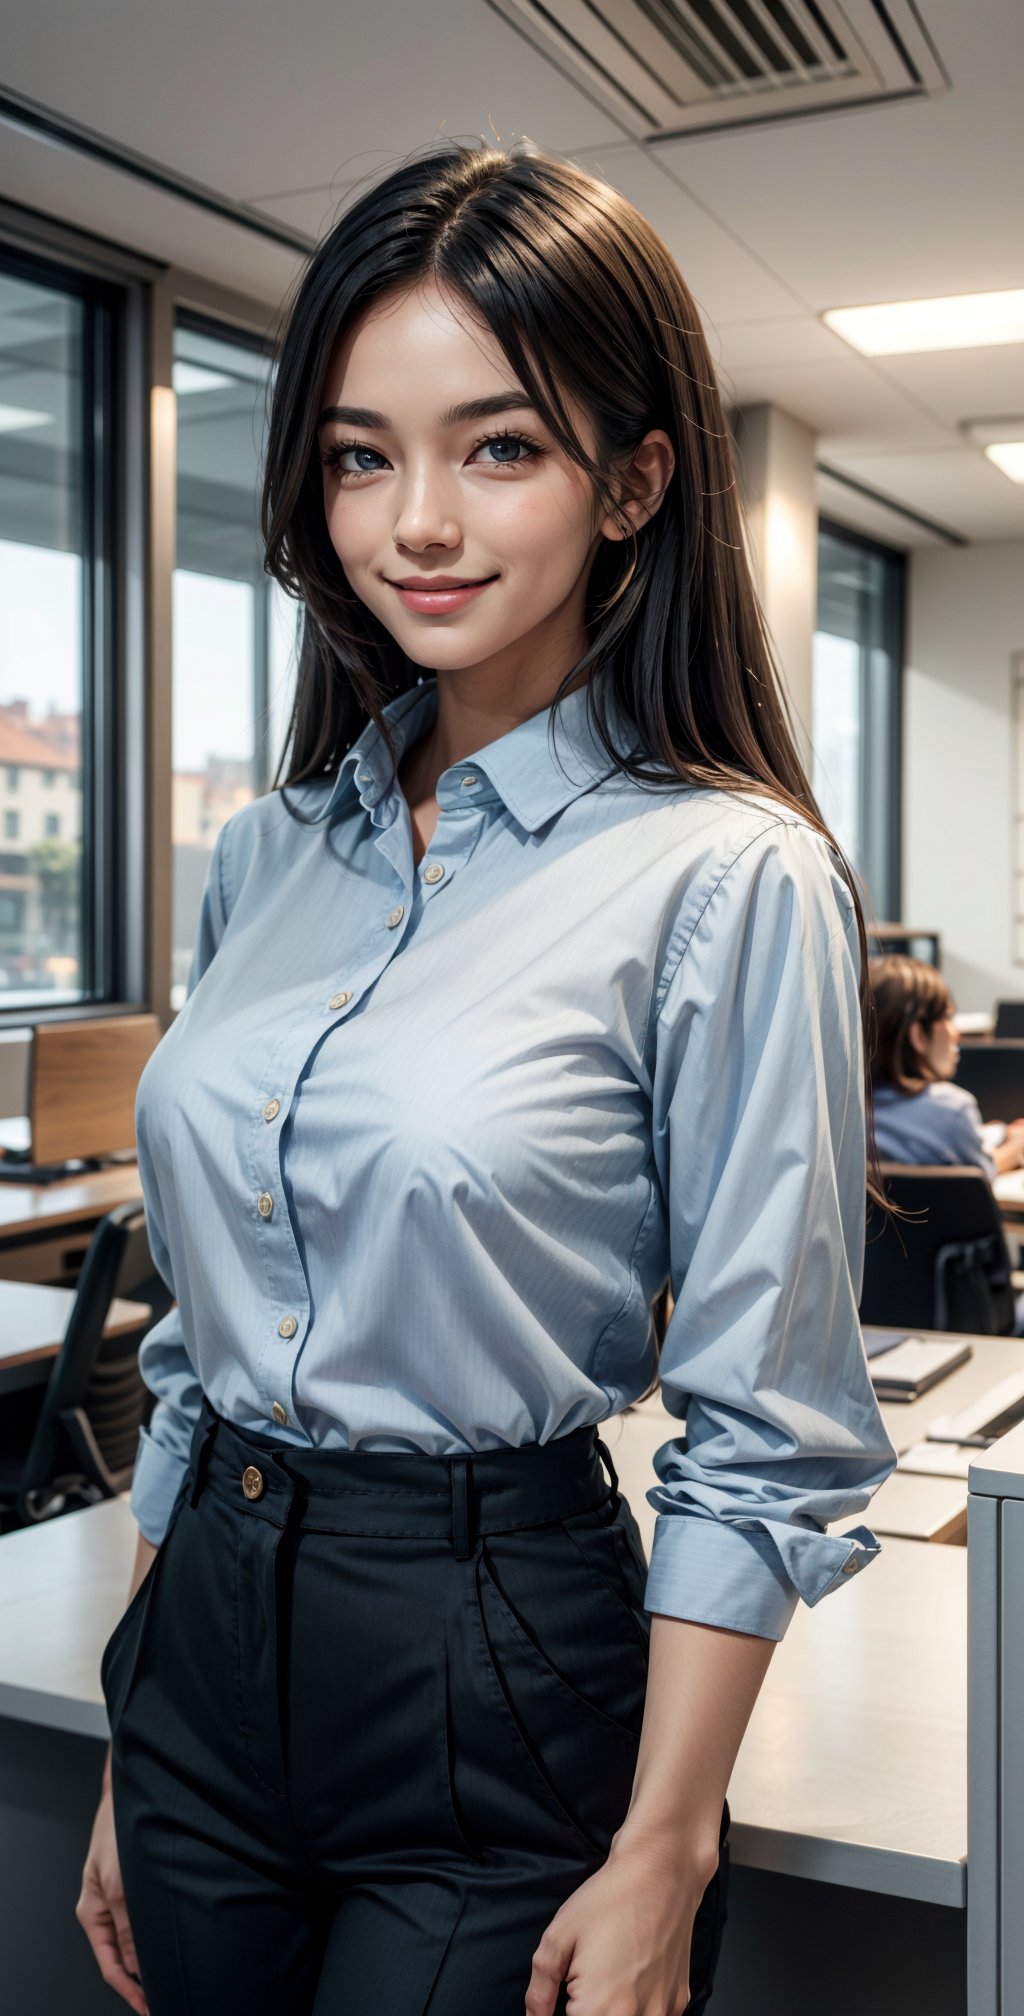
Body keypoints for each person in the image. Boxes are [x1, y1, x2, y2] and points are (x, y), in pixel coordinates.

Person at [77, 141, 897, 2016]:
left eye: (498, 446)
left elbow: (763, 1424)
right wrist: (145, 1727)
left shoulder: (722, 871)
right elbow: (202, 1353)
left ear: (633, 480)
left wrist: (662, 1845)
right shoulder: (267, 854)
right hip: (203, 1645)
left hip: (491, 1660)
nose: (415, 522)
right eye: (361, 455)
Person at [869, 954, 1024, 1178]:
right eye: (948, 1018)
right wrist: (1017, 1146)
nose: (956, 1034)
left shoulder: (848, 1111)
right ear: (918, 1035)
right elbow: (981, 1175)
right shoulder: (953, 1110)